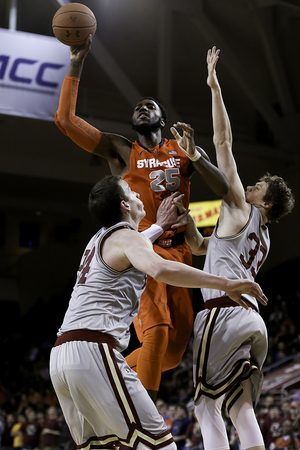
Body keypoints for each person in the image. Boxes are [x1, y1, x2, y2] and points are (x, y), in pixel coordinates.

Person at [54, 34, 230, 401]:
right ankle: (145, 423)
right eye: (137, 107)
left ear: (163, 120)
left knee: (174, 351)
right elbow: (66, 120)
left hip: (179, 252)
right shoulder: (121, 149)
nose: (142, 108)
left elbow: (226, 188)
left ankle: (106, 370)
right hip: (143, 251)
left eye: (150, 106)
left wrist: (196, 155)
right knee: (158, 332)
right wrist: (76, 62)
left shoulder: (181, 151)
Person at [49, 174, 268, 450]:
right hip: (93, 349)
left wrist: (158, 226)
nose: (139, 194)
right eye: (131, 191)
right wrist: (226, 283)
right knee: (161, 445)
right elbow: (161, 269)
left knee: (105, 447)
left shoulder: (98, 240)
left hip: (61, 356)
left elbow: (136, 244)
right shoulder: (126, 236)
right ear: (124, 206)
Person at [171, 47, 295, 450]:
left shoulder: (241, 203)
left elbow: (223, 140)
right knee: (239, 406)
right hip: (252, 322)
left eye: (259, 186)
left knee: (206, 406)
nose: (251, 184)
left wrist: (214, 86)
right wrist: (189, 223)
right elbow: (201, 247)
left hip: (223, 314)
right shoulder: (263, 235)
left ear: (266, 203)